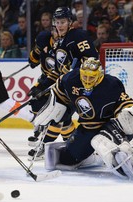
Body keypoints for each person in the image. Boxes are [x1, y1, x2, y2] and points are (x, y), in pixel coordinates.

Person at [33, 57, 133, 180]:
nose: (87, 80)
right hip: (88, 128)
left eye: (91, 77)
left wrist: (132, 112)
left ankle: (124, 151)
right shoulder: (70, 79)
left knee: (99, 140)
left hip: (111, 127)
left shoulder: (111, 85)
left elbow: (125, 104)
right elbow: (61, 98)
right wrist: (55, 110)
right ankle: (95, 158)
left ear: (99, 75)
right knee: (67, 160)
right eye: (84, 77)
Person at [27, 7, 98, 159]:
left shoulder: (79, 36)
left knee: (62, 116)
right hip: (66, 88)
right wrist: (42, 86)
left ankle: (54, 147)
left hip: (82, 87)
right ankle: (55, 146)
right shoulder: (60, 42)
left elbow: (92, 59)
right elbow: (57, 72)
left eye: (63, 22)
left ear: (70, 22)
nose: (59, 25)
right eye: (57, 22)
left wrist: (78, 72)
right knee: (59, 117)